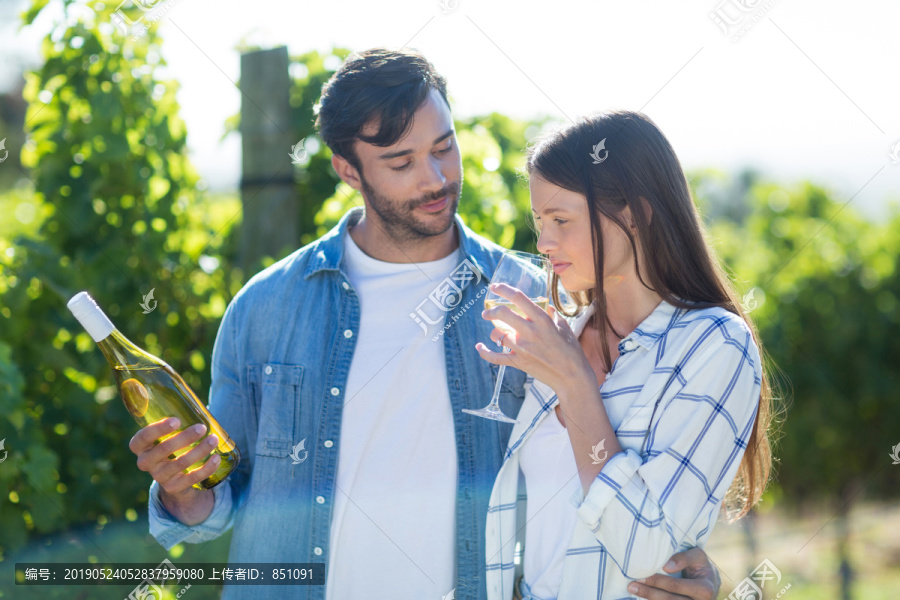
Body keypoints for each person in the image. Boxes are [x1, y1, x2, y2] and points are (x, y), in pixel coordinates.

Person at [127, 50, 722, 600]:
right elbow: (219, 502)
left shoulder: (541, 300)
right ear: (347, 170)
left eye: (444, 147)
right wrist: (184, 492)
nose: (435, 178)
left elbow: (605, 469)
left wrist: (682, 568)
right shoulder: (266, 309)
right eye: (401, 162)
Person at [477, 110, 775, 599]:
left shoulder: (712, 345)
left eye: (560, 220)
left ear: (634, 213)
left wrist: (576, 387)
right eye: (539, 222)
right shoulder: (560, 337)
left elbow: (646, 550)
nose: (543, 243)